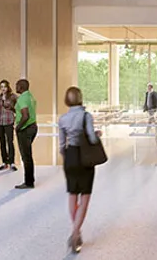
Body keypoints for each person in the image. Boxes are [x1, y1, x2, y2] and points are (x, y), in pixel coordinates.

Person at [58, 86, 101, 254]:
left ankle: (76, 230)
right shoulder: (86, 116)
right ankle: (75, 233)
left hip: (70, 157)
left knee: (72, 194)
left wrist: (67, 158)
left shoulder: (63, 119)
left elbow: (61, 145)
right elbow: (91, 137)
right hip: (84, 158)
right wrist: (97, 135)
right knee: (85, 196)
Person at [14, 79, 38, 190]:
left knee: (26, 157)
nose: (16, 87)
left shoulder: (22, 98)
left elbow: (25, 116)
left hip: (25, 129)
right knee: (28, 156)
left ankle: (28, 183)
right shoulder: (30, 96)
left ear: (21, 87)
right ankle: (30, 180)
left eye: (17, 85)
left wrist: (17, 128)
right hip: (33, 127)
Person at [0, 79, 18, 171]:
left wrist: (12, 108)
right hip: (0, 122)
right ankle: (4, 162)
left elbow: (18, 108)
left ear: (8, 87)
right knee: (2, 142)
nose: (3, 88)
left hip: (9, 121)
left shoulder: (13, 97)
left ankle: (12, 162)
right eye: (1, 87)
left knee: (10, 142)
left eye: (5, 86)